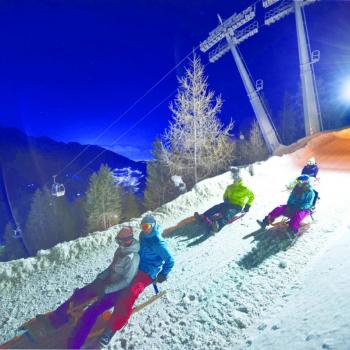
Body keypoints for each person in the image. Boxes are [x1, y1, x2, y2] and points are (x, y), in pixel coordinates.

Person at [37, 226, 140, 349]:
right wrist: (100, 278)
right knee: (80, 294)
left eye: (121, 241)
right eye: (118, 241)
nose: (119, 244)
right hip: (107, 282)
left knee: (91, 313)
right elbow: (111, 268)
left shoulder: (133, 258)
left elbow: (126, 281)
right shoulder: (120, 250)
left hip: (117, 291)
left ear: (129, 239)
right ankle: (55, 321)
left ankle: (74, 346)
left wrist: (106, 289)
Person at [98, 214, 175, 347]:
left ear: (153, 225)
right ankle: (104, 306)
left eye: (147, 226)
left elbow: (170, 260)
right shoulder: (142, 236)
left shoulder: (158, 242)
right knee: (117, 282)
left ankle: (111, 329)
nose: (144, 229)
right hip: (136, 265)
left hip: (147, 273)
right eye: (142, 226)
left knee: (129, 294)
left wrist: (163, 274)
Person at [195, 169, 255, 234]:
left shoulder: (244, 188)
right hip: (228, 203)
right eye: (234, 177)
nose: (235, 178)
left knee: (228, 214)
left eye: (237, 177)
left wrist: (247, 206)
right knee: (216, 207)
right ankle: (202, 217)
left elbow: (252, 196)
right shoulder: (230, 187)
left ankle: (218, 226)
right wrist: (226, 200)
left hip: (237, 206)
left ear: (240, 177)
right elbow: (225, 195)